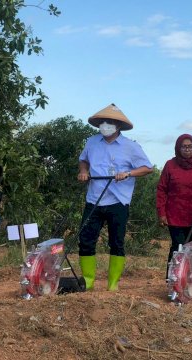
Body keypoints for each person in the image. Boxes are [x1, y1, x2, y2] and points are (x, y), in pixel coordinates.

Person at [77, 103, 153, 291]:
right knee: (86, 239)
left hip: (118, 200)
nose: (105, 125)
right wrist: (83, 172)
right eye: (103, 122)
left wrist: (128, 173)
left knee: (116, 242)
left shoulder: (131, 146)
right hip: (94, 198)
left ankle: (113, 285)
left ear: (118, 126)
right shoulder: (92, 142)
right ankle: (88, 282)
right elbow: (83, 160)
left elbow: (147, 168)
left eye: (110, 122)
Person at [157, 134, 192, 278]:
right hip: (174, 215)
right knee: (178, 247)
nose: (187, 149)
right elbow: (162, 189)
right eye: (184, 146)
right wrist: (161, 213)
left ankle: (189, 282)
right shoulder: (170, 165)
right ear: (178, 148)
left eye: (190, 146)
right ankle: (173, 281)